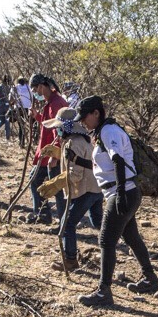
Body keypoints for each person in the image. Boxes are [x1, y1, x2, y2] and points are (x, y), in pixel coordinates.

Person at [74, 95, 158, 307]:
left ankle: (104, 291)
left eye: (85, 117)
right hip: (122, 191)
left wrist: (120, 193)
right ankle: (150, 280)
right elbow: (105, 164)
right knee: (131, 236)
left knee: (105, 240)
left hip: (123, 192)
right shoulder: (103, 131)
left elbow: (118, 160)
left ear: (96, 113)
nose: (83, 122)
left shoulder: (109, 131)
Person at [41, 106, 103, 271]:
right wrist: (58, 153)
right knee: (98, 222)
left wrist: (56, 183)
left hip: (86, 190)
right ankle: (113, 246)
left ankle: (70, 260)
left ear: (65, 127)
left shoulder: (72, 143)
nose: (57, 131)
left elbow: (75, 174)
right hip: (96, 188)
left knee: (67, 224)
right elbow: (77, 160)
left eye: (58, 128)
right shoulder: (81, 140)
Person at [27, 73, 68, 224]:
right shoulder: (51, 102)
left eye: (36, 88)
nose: (36, 92)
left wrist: (55, 156)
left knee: (57, 189)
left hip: (53, 156)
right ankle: (43, 215)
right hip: (47, 154)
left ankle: (63, 224)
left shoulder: (57, 103)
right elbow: (48, 124)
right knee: (38, 181)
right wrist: (37, 116)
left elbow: (61, 131)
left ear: (43, 86)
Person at [0, 75, 12, 141]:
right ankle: (7, 137)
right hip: (7, 106)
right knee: (7, 121)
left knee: (1, 120)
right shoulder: (10, 88)